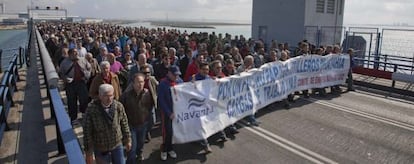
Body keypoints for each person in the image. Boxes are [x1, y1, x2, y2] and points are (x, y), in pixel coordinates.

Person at [84, 84, 131, 164]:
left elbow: (124, 123)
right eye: (106, 96)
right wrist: (89, 152)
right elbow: (87, 131)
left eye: (111, 95)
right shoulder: (91, 110)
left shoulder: (118, 106)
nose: (109, 98)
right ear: (100, 96)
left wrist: (128, 139)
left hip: (117, 144)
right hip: (100, 147)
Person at [120, 73, 153, 163]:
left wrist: (146, 120)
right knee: (132, 148)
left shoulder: (147, 93)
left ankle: (139, 155)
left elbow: (149, 107)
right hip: (131, 126)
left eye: (142, 82)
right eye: (138, 82)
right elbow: (121, 112)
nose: (140, 84)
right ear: (133, 83)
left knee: (141, 143)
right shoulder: (126, 96)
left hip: (143, 124)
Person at [157, 65, 183, 161]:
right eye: (174, 75)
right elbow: (161, 100)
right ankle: (164, 149)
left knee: (173, 132)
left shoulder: (179, 81)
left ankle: (170, 148)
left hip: (177, 111)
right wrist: (169, 113)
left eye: (177, 75)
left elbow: (186, 90)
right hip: (167, 113)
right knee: (167, 132)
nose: (176, 77)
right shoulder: (163, 84)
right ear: (169, 73)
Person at [59, 48, 91, 123]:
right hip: (70, 84)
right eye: (74, 52)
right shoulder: (64, 62)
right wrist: (65, 79)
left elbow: (89, 68)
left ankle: (84, 115)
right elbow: (61, 73)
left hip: (82, 82)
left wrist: (87, 76)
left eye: (77, 52)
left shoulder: (83, 60)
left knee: (84, 99)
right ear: (70, 54)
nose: (76, 54)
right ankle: (73, 118)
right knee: (71, 101)